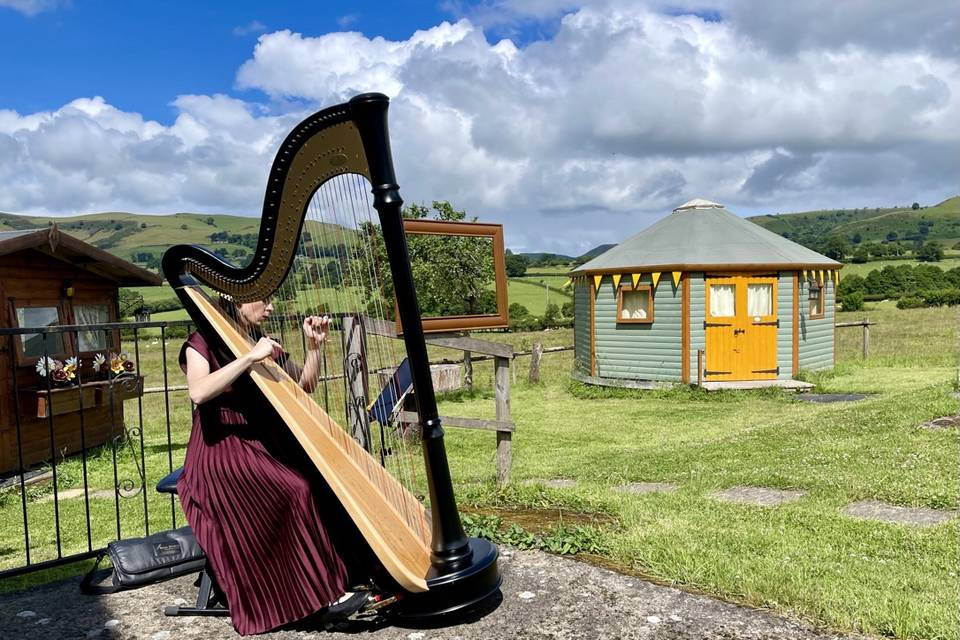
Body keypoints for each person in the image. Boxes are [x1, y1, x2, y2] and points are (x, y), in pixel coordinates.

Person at [178, 297, 368, 635]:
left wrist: (314, 348)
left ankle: (338, 577)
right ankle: (319, 597)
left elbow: (304, 385)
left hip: (260, 444)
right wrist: (249, 358)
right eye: (264, 300)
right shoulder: (202, 340)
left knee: (320, 480)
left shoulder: (257, 340)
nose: (271, 307)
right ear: (237, 300)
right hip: (220, 449)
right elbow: (199, 392)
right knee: (296, 490)